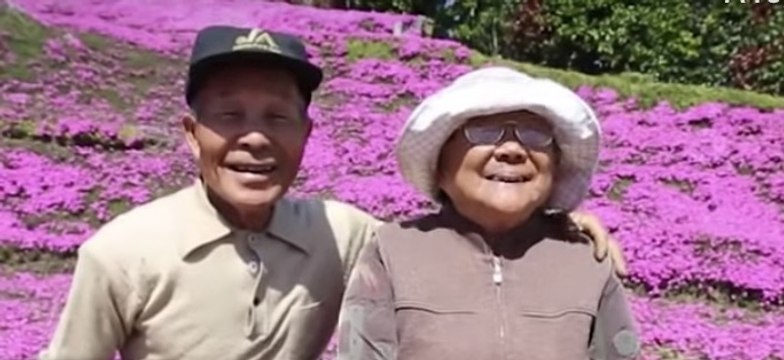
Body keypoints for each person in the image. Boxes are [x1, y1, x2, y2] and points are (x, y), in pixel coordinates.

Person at [39, 26, 627, 360]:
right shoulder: (120, 253)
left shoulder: (345, 233)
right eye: (229, 117)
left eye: (277, 117)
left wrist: (562, 222)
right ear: (192, 136)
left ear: (306, 134)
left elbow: (458, 241)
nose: (254, 138)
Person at [336, 67, 640, 360]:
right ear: (439, 165)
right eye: (483, 132)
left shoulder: (586, 260)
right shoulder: (392, 251)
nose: (512, 149)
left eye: (534, 135)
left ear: (555, 169)